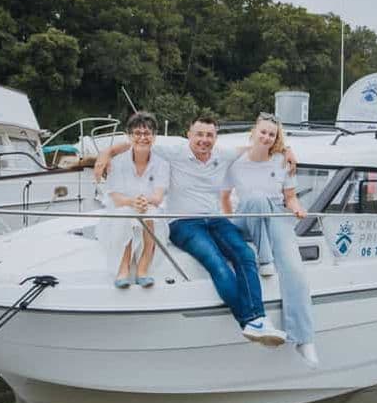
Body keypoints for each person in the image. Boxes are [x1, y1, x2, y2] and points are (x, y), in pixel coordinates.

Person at [94, 115, 291, 346]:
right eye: (199, 134)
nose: (204, 140)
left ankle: (259, 320)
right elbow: (139, 141)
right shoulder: (175, 151)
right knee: (216, 262)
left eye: (209, 135)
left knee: (245, 255)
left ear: (215, 138)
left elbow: (256, 147)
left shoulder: (223, 154)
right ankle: (250, 320)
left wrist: (287, 151)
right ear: (189, 135)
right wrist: (106, 153)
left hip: (215, 219)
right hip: (184, 223)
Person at [221, 112, 318, 366]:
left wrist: (297, 208)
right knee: (256, 199)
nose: (266, 137)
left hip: (275, 216)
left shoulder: (282, 161)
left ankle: (304, 339)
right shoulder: (235, 162)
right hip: (245, 216)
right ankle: (265, 259)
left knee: (295, 269)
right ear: (254, 132)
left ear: (276, 139)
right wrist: (227, 223)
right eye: (263, 132)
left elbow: (290, 198)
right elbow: (224, 198)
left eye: (272, 135)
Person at [100, 111, 169, 288]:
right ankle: (123, 267)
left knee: (151, 212)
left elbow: (158, 196)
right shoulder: (117, 162)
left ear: (154, 136)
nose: (142, 137)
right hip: (122, 208)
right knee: (125, 212)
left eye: (147, 133)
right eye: (137, 133)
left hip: (148, 207)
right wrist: (133, 202)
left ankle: (143, 268)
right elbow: (115, 197)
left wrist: (144, 202)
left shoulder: (162, 164)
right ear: (129, 136)